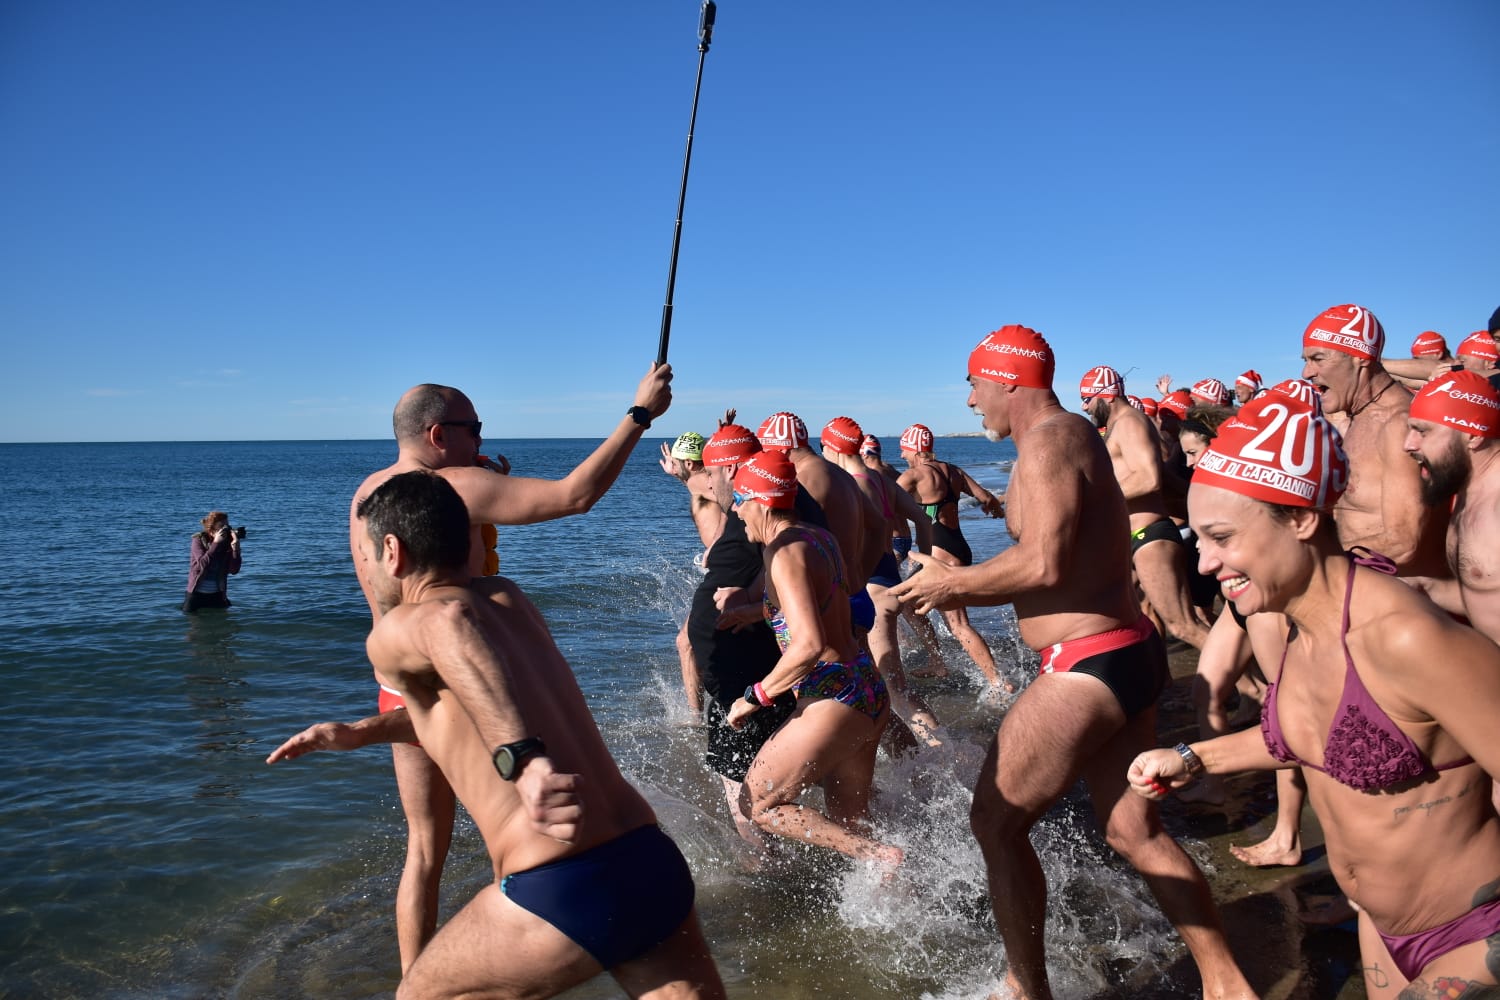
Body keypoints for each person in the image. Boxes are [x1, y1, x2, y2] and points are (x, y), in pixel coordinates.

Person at [891, 326, 1255, 1000]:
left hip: (1090, 666)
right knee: (1132, 830)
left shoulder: (1053, 441)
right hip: (1122, 650)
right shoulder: (1062, 439)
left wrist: (950, 585)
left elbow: (1045, 562)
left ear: (1006, 380)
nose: (970, 401)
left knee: (995, 823)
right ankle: (1228, 982)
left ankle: (1025, 988)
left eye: (974, 384)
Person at [277, 366, 672, 972]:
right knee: (516, 830)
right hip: (464, 676)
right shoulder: (455, 487)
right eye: (473, 430)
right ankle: (511, 947)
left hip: (398, 680)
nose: (481, 443)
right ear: (439, 435)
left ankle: (415, 976)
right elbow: (575, 496)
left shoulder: (372, 495)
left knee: (424, 850)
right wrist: (639, 415)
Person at [1129, 394, 1500, 998]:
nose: (1205, 560)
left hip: (1474, 934)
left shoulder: (1405, 638)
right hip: (1382, 932)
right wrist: (1196, 758)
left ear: (1302, 519)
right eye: (1201, 538)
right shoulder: (1298, 628)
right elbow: (1299, 737)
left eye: (1223, 537)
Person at [723, 450, 902, 867]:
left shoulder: (784, 554)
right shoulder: (818, 538)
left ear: (760, 501)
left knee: (759, 804)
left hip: (832, 695)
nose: (735, 509)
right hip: (867, 689)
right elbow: (825, 601)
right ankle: (896, 897)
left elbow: (807, 645)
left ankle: (882, 856)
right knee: (852, 819)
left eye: (739, 498)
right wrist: (754, 612)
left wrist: (754, 697)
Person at [820, 415, 942, 745]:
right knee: (882, 687)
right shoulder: (883, 480)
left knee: (893, 689)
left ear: (832, 447)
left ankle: (941, 753)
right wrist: (924, 566)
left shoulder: (846, 484)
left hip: (870, 591)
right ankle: (923, 755)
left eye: (822, 448)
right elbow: (923, 520)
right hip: (889, 580)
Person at [1301, 303, 1447, 575]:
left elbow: (1404, 542)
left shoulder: (1398, 425)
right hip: (1359, 582)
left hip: (1398, 597)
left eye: (1318, 359)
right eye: (1306, 360)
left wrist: (1314, 565)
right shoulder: (1358, 416)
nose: (1306, 373)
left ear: (1360, 359)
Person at [1081, 364, 1212, 651]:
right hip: (1136, 537)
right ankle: (1161, 684)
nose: (1085, 407)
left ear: (1108, 396)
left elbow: (1149, 479)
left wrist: (1091, 498)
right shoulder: (1122, 425)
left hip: (1149, 536)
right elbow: (1165, 478)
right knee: (1140, 616)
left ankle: (1255, 688)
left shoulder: (1129, 422)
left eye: (1088, 399)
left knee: (1184, 625)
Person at [895, 422, 1008, 687]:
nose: (901, 456)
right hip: (958, 545)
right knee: (908, 603)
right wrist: (996, 512)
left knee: (958, 625)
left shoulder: (914, 476)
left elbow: (881, 503)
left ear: (913, 449)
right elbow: (986, 498)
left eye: (903, 450)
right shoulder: (953, 470)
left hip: (941, 553)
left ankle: (997, 682)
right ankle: (938, 662)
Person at [1402, 370, 1500, 639]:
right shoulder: (1467, 490)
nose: (1407, 445)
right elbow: (1485, 595)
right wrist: (1426, 587)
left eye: (1422, 431)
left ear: (1473, 435)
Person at [860, 433, 954, 678]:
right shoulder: (891, 471)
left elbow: (877, 517)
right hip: (902, 539)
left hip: (889, 543)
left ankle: (926, 658)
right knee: (900, 602)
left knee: (892, 601)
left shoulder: (871, 478)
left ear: (863, 453)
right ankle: (921, 651)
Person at [183, 511, 242, 612]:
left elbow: (234, 570)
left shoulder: (227, 543)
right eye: (222, 526)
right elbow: (201, 565)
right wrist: (215, 544)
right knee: (194, 624)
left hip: (217, 594)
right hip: (196, 593)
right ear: (211, 529)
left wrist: (235, 549)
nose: (225, 529)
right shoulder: (198, 540)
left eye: (227, 526)